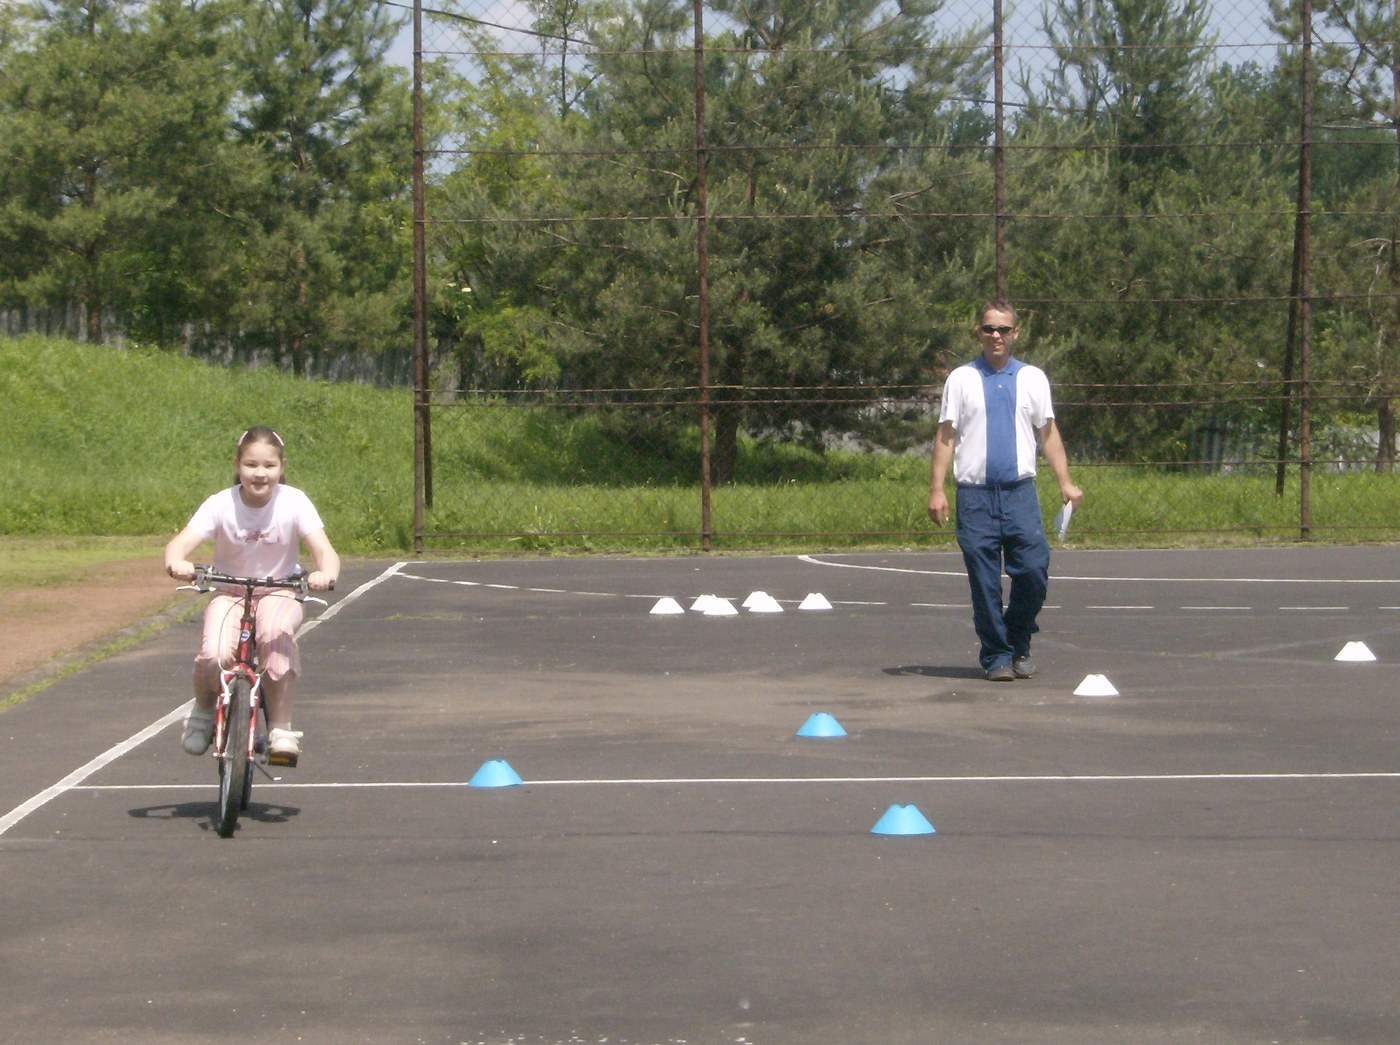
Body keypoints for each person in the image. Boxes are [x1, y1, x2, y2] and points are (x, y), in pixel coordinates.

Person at [164, 426, 340, 765]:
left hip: (280, 590)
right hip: (229, 590)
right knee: (213, 653)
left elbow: (325, 551)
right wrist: (177, 562)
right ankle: (202, 712)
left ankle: (281, 730)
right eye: (251, 465)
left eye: (269, 466)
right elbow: (179, 545)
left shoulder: (294, 501)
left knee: (276, 640)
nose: (260, 474)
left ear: (282, 467)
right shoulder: (220, 504)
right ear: (238, 465)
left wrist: (325, 573)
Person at [928, 300, 1083, 681]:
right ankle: (997, 656)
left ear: (1015, 334)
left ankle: (1019, 639)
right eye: (988, 329)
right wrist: (937, 488)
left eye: (1003, 329)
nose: (995, 336)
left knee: (1033, 571)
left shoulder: (1033, 378)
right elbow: (946, 436)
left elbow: (1047, 433)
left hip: (1019, 494)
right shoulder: (961, 379)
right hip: (975, 497)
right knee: (984, 583)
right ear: (978, 332)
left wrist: (1065, 481)